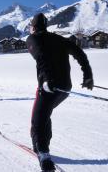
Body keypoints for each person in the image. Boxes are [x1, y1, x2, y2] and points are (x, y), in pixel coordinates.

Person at [26, 13, 94, 171]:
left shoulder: (32, 39)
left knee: (37, 121)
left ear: (34, 27)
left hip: (49, 87)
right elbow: (79, 52)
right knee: (45, 114)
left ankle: (43, 155)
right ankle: (40, 147)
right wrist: (88, 75)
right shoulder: (59, 39)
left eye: (31, 26)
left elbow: (41, 57)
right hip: (65, 88)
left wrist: (48, 80)